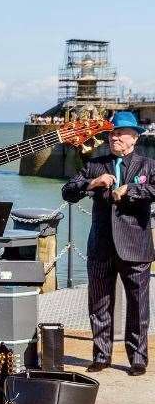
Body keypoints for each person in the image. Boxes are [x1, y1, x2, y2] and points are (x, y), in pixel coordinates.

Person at [62, 111, 155, 376]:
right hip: (101, 246)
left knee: (138, 306)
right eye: (112, 133)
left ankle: (137, 358)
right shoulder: (96, 165)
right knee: (99, 303)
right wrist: (93, 183)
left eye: (121, 133)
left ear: (134, 138)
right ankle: (100, 356)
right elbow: (68, 192)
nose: (114, 137)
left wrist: (131, 191)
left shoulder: (147, 166)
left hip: (136, 247)